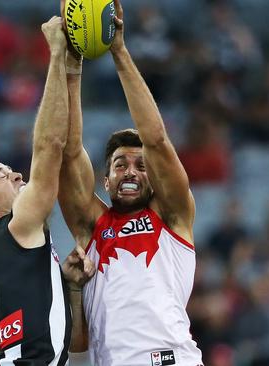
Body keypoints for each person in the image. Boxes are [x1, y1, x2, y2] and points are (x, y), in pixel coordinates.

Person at [58, 0, 204, 364]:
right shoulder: (93, 227)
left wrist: (119, 51)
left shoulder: (173, 216)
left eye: (141, 166)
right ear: (105, 181)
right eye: (120, 164)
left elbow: (156, 139)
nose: (131, 171)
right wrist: (72, 68)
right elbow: (69, 154)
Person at [0, 16, 94, 366]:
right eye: (2, 174)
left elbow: (65, 338)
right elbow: (50, 146)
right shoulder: (16, 228)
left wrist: (68, 286)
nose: (16, 174)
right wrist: (57, 54)